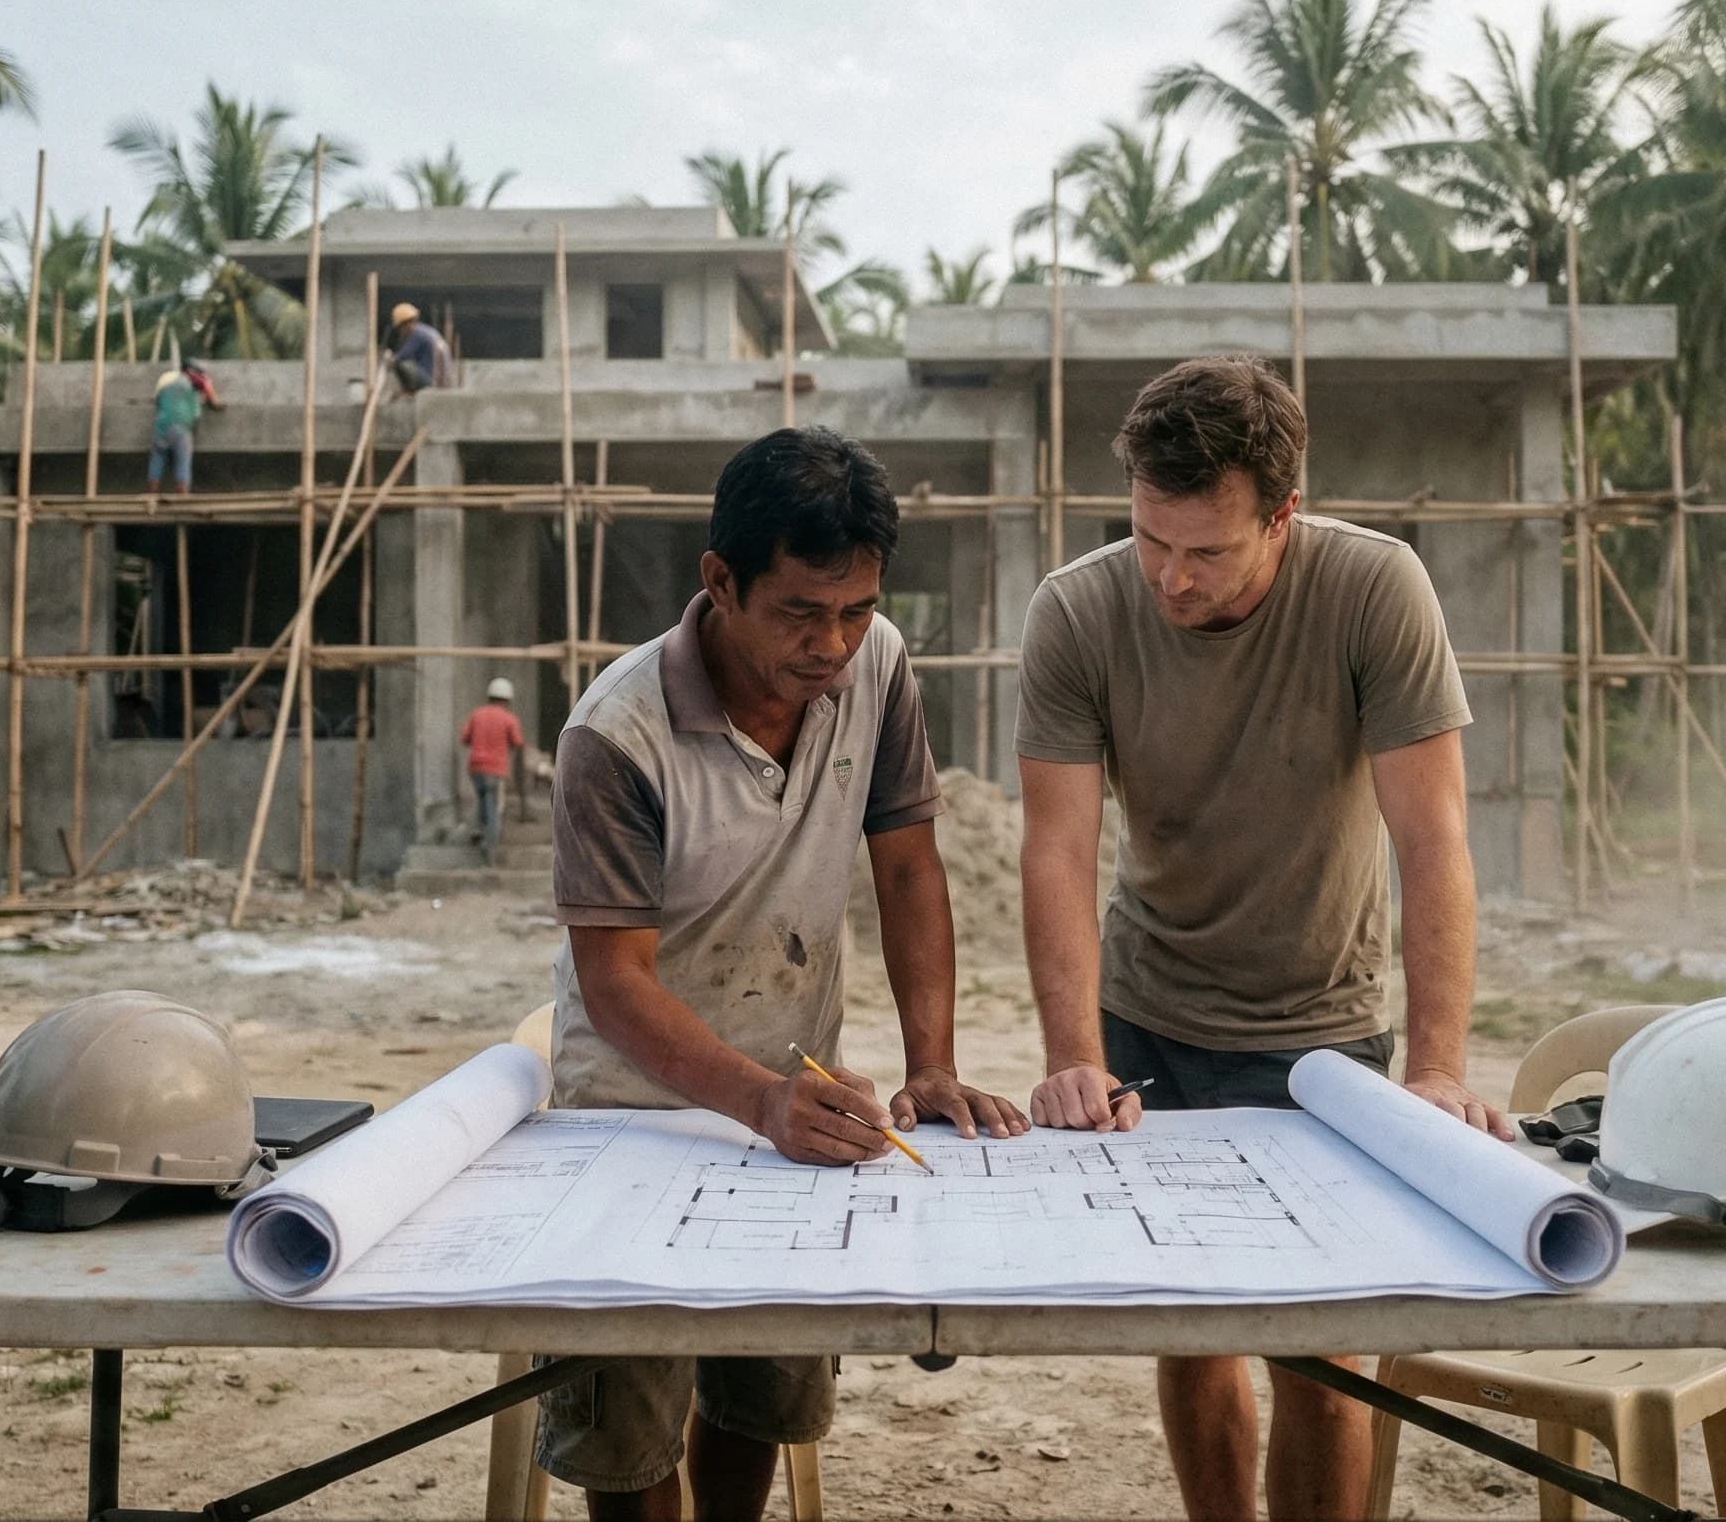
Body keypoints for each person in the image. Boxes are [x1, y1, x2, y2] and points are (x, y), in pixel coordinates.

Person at [1014, 354, 1512, 1522]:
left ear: (1282, 516)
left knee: (1322, 1359)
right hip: (1151, 1016)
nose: (1169, 579)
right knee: (1191, 1335)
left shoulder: (1375, 589)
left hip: (1324, 1035)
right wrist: (1072, 1053)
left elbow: (1431, 842)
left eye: (1205, 551)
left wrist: (1436, 1068)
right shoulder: (1078, 611)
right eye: (1149, 540)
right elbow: (1055, 852)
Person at [540, 425, 1028, 1522]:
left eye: (855, 610)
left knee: (763, 1389)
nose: (833, 646)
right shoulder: (615, 737)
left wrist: (933, 1063)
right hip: (630, 1113)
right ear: (719, 581)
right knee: (629, 1429)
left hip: (796, 1105)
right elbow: (613, 982)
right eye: (800, 614)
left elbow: (907, 865)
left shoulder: (879, 665)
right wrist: (756, 1098)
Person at [459, 677, 527, 863]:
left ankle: (478, 830)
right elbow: (518, 742)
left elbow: (464, 738)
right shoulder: (508, 718)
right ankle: (491, 846)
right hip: (495, 769)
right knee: (493, 806)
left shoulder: (477, 714)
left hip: (475, 768)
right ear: (507, 699)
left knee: (482, 800)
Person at [145, 358, 223, 496]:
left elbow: (158, 402)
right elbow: (196, 415)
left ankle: (152, 493)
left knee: (158, 457)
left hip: (161, 427)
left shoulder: (165, 379)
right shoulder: (192, 387)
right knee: (183, 460)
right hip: (181, 428)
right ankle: (183, 494)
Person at [386, 300, 450, 393]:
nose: (400, 332)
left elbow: (402, 356)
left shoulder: (417, 334)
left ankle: (409, 391)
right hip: (442, 381)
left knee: (401, 364)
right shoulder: (425, 330)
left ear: (405, 325)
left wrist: (389, 359)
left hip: (431, 381)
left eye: (400, 328)